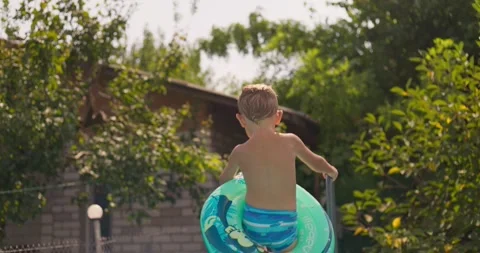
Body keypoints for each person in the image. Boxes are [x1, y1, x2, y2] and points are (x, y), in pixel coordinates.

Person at [219, 84, 338, 252]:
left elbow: (224, 180)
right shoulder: (291, 142)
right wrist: (330, 169)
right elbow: (316, 162)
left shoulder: (240, 151)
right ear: (278, 117)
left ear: (241, 119)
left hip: (254, 223)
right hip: (285, 224)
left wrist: (238, 180)